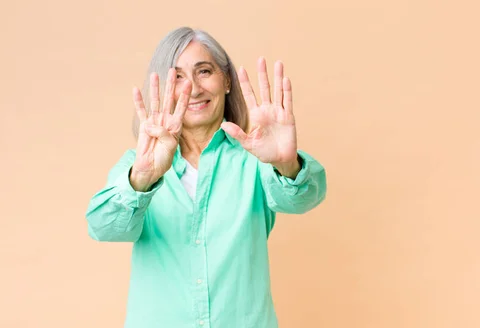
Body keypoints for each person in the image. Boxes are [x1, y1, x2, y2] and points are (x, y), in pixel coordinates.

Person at [85, 26, 327, 328]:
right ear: (162, 88)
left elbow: (304, 198)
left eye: (204, 71)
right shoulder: (138, 166)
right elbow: (102, 227)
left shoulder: (256, 161)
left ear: (226, 80)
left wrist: (288, 164)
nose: (194, 89)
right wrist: (142, 179)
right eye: (178, 77)